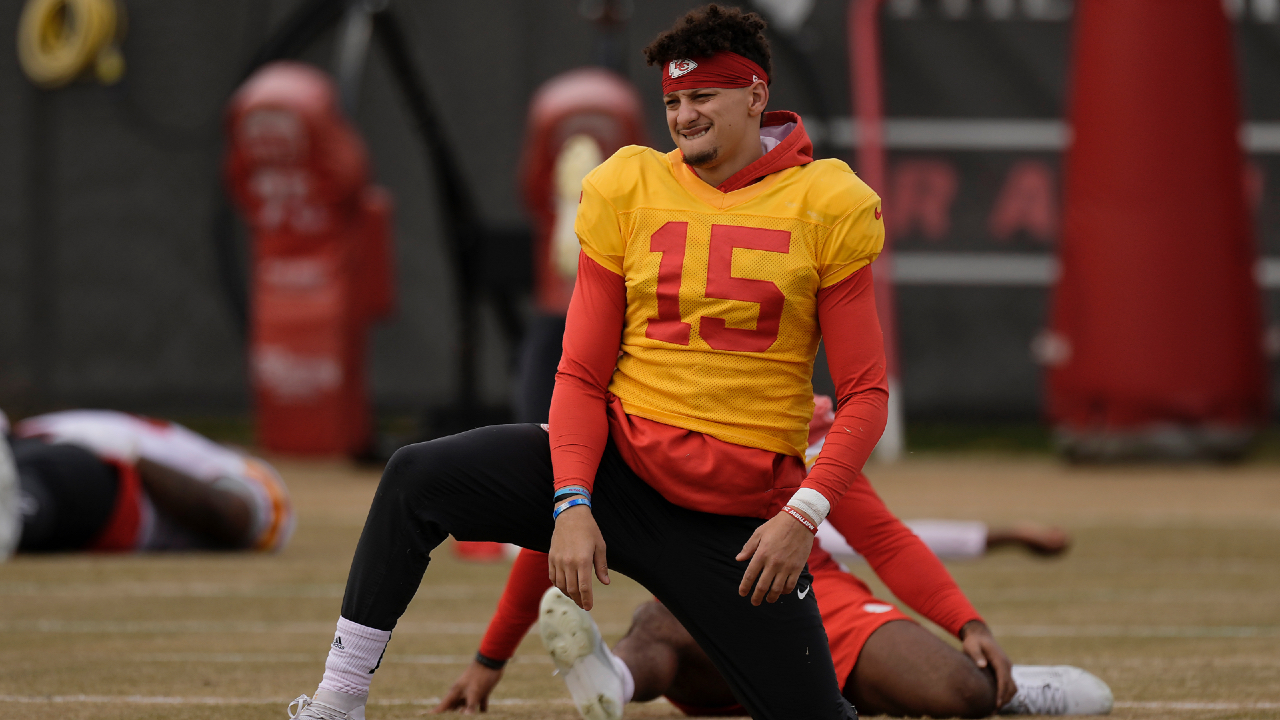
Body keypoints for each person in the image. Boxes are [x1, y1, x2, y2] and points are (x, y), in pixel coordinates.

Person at [288, 5, 889, 719]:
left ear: (756, 95)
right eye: (673, 101)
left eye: (703, 96)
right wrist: (572, 502)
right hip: (621, 474)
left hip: (736, 521)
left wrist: (803, 515)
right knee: (415, 477)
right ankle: (337, 702)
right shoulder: (630, 187)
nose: (685, 116)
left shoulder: (827, 202)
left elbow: (866, 393)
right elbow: (579, 374)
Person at [433, 476, 1108, 718]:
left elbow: (883, 536)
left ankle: (1007, 687)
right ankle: (611, 678)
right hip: (705, 609)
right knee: (661, 622)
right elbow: (558, 528)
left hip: (818, 601)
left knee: (956, 693)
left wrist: (966, 621)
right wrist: (490, 658)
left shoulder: (796, 417)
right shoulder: (643, 414)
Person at [0, 409, 293, 560]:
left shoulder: (251, 480)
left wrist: (132, 456)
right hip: (30, 441)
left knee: (32, 494)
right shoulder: (190, 446)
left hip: (103, 481)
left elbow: (229, 515)